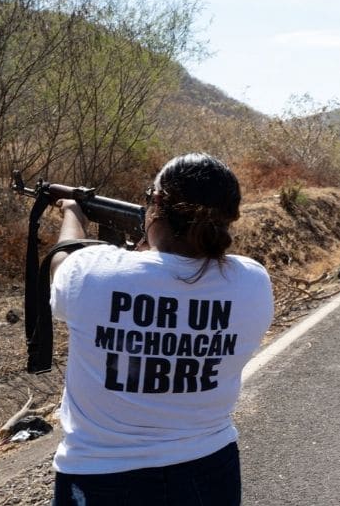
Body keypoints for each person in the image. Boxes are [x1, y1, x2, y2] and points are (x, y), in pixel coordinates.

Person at [49, 153, 274, 505]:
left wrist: (72, 211)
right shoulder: (253, 281)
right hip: (211, 469)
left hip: (101, 476)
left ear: (156, 203)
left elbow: (63, 261)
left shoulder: (93, 272)